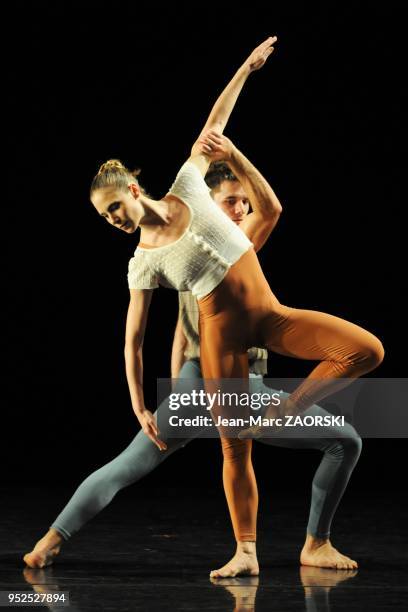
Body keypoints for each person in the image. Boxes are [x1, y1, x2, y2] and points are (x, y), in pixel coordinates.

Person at [24, 37, 384, 575]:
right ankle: (242, 550)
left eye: (115, 207)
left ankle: (306, 543)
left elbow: (216, 126)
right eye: (105, 217)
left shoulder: (198, 196)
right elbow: (136, 337)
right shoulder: (142, 262)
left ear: (133, 187)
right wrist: (141, 403)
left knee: (363, 359)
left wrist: (246, 69)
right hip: (214, 368)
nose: (114, 219)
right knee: (167, 456)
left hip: (255, 348)